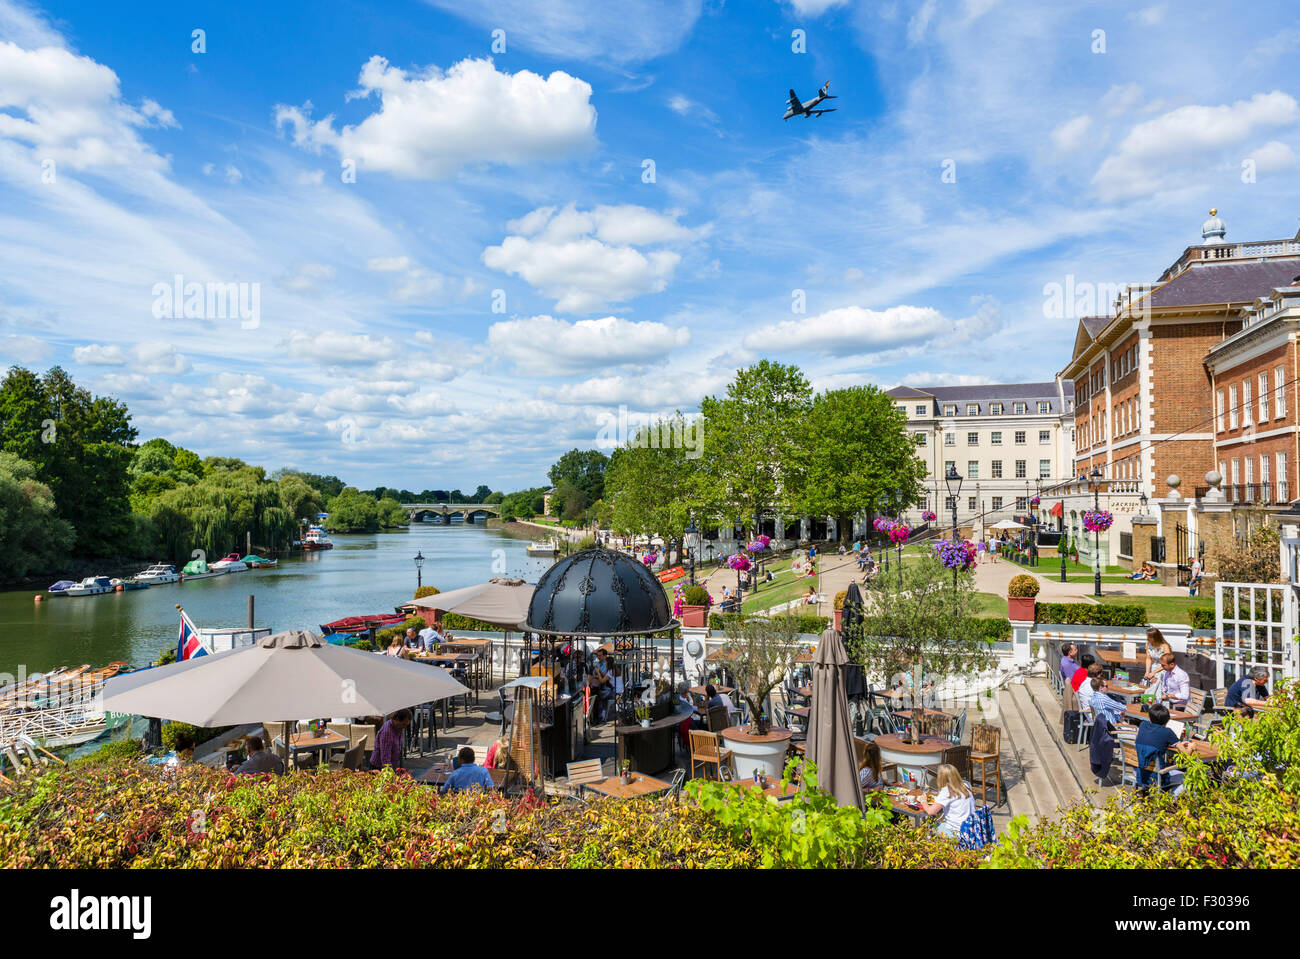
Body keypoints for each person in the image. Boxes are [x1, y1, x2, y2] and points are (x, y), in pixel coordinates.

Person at [1135, 703, 1183, 792]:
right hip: (1158, 778)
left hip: (1141, 774)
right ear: (1167, 719)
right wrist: (1192, 746)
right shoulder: (1167, 732)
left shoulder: (1143, 725)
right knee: (1185, 777)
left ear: (1150, 717)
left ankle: (1147, 790)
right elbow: (1184, 751)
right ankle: (1171, 797)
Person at [920, 764, 975, 838]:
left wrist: (924, 801)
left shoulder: (947, 790)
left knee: (930, 827)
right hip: (970, 828)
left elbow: (930, 811)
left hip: (957, 831)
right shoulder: (965, 785)